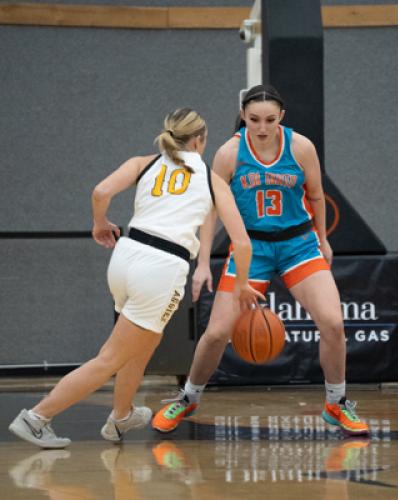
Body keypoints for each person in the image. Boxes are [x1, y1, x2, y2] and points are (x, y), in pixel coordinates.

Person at [8, 108, 264, 449]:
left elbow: (101, 192)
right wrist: (243, 283)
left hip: (126, 256)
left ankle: (121, 415)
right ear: (200, 140)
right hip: (161, 268)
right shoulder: (210, 179)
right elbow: (242, 243)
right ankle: (36, 418)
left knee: (145, 342)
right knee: (110, 357)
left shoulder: (143, 163)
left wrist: (100, 223)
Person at [152, 86, 369, 436]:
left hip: (298, 243)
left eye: (270, 119)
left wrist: (324, 240)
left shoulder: (301, 147)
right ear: (242, 115)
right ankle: (189, 397)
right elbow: (210, 211)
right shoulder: (229, 153)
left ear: (281, 116)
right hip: (250, 248)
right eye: (254, 119)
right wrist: (203, 262)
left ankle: (337, 403)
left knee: (332, 323)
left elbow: (315, 194)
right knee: (217, 332)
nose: (262, 127)